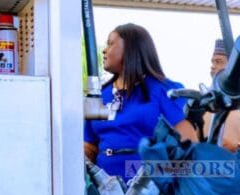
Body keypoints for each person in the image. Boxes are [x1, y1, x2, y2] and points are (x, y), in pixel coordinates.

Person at [84, 23, 198, 179]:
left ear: (131, 48)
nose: (104, 50)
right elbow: (90, 146)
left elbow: (188, 147)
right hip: (103, 187)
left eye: (110, 44)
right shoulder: (98, 96)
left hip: (149, 187)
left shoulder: (164, 90)